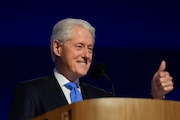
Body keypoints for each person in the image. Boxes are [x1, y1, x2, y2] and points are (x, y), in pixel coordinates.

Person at [7, 18, 173, 120]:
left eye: (90, 48)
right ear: (57, 48)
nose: (86, 55)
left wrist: (156, 97)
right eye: (79, 46)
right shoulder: (31, 91)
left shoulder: (102, 97)